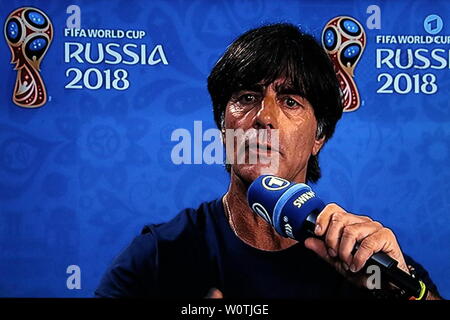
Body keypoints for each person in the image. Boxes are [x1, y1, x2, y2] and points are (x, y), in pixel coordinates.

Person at [95, 23, 442, 299]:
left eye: (290, 101)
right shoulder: (160, 255)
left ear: (318, 138)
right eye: (247, 97)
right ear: (223, 126)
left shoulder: (367, 261)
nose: (265, 117)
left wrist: (402, 290)